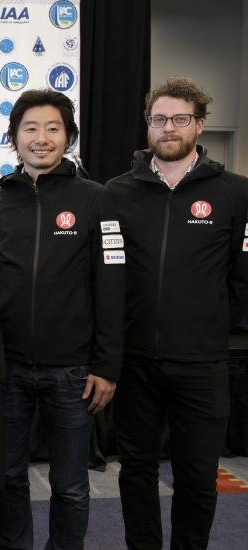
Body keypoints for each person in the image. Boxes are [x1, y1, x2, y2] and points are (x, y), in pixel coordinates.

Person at [0, 89, 124, 550]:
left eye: (53, 129)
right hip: (7, 368)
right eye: (30, 129)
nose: (41, 139)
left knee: (72, 485)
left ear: (69, 136)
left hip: (74, 372)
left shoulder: (98, 200)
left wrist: (107, 365)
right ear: (15, 138)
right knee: (8, 476)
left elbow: (112, 287)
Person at [107, 78, 248, 550]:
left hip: (202, 363)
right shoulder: (116, 193)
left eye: (180, 119)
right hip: (134, 360)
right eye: (159, 119)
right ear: (148, 126)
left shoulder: (235, 193)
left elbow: (242, 275)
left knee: (196, 477)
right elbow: (105, 273)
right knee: (137, 471)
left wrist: (211, 325)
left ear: (199, 125)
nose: (169, 128)